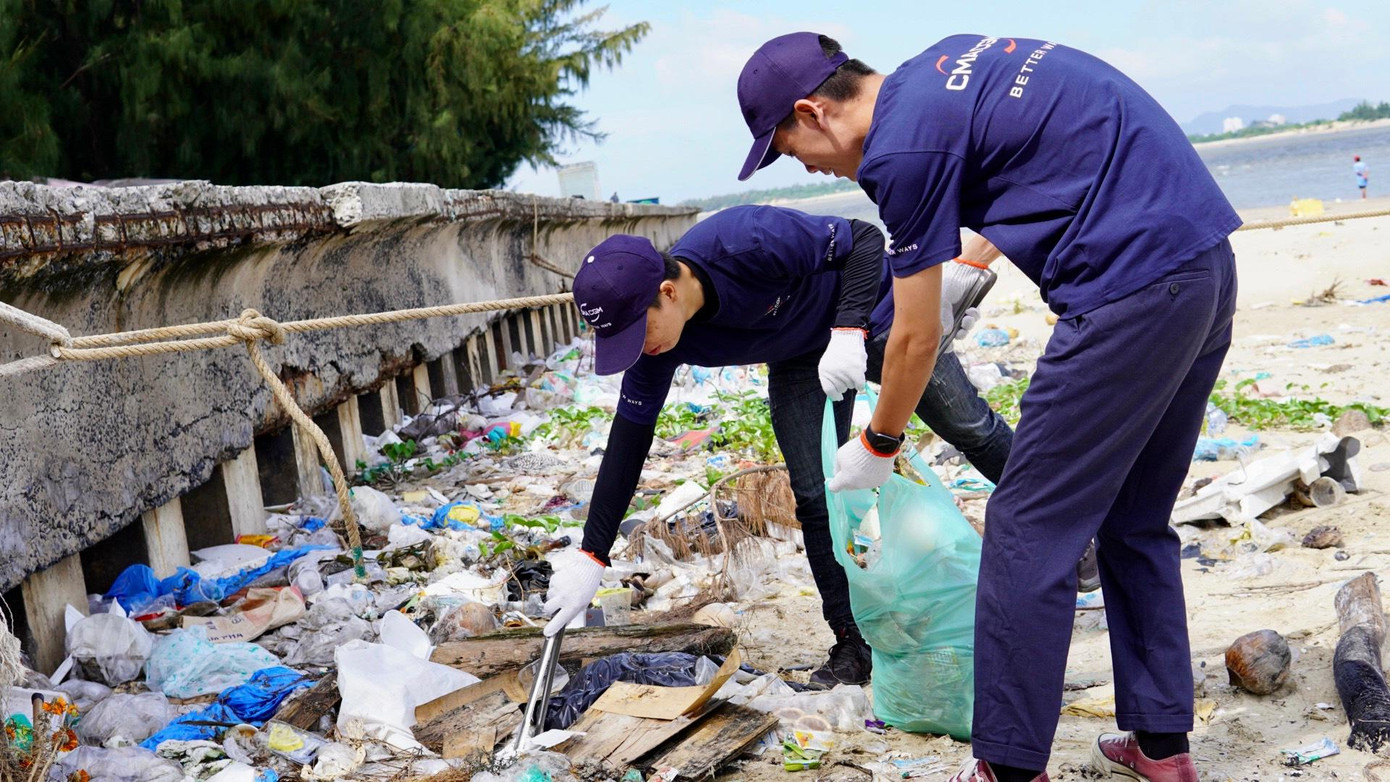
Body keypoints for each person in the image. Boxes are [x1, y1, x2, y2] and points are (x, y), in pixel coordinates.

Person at [735, 32, 1238, 781]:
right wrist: (978, 254)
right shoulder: (946, 67)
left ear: (814, 112)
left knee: (1025, 527)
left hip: (1126, 290)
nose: (805, 166)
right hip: (1203, 264)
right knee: (1133, 521)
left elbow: (913, 337)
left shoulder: (896, 155)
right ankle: (1162, 747)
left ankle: (1005, 764)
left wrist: (878, 441)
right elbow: (1054, 151)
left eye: (789, 149)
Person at [541, 204, 1014, 689]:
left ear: (667, 292)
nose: (639, 349)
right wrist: (592, 554)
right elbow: (629, 437)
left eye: (637, 333)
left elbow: (865, 241)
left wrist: (850, 328)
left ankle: (1073, 525)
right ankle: (854, 641)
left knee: (969, 427)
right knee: (814, 493)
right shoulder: (661, 344)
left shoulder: (742, 240)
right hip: (798, 357)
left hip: (877, 315)